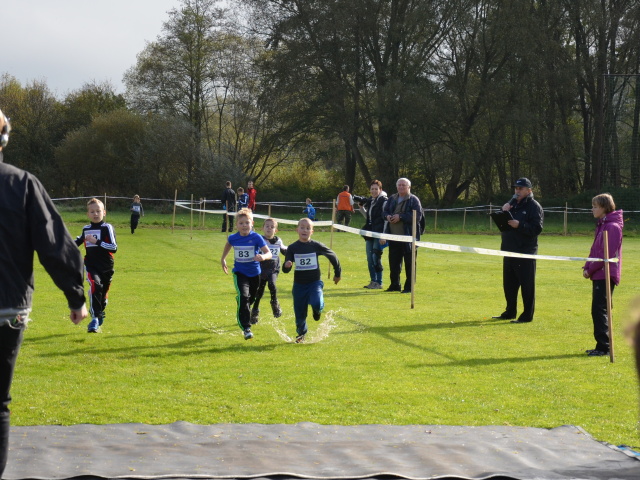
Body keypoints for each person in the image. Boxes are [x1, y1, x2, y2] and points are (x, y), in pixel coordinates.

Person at [0, 108, 88, 478]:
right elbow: (54, 244)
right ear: (4, 138)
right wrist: (76, 295)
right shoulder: (21, 184)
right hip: (6, 309)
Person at [492, 177, 543, 324]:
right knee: (509, 285)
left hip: (525, 252)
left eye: (521, 189)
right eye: (516, 188)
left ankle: (527, 316)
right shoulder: (512, 204)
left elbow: (537, 228)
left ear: (529, 190)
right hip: (508, 250)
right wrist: (503, 212)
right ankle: (510, 312)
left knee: (527, 286)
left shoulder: (534, 206)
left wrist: (519, 225)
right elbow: (504, 224)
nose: (517, 191)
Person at [282, 218, 341, 343]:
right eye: (302, 227)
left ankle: (317, 310)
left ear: (312, 231)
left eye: (308, 228)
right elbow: (286, 269)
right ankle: (301, 335)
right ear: (297, 230)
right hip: (299, 285)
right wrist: (287, 265)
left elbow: (332, 255)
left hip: (314, 283)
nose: (305, 230)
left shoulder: (316, 246)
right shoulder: (292, 248)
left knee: (317, 303)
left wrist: (337, 273)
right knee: (300, 314)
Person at [220, 208, 272, 340]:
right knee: (244, 297)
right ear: (236, 224)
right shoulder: (233, 237)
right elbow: (228, 244)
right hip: (240, 273)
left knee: (250, 299)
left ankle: (243, 303)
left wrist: (263, 257)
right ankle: (246, 328)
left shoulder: (256, 237)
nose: (244, 226)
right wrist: (223, 258)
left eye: (247, 223)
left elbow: (269, 253)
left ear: (252, 223)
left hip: (255, 274)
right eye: (241, 223)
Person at [582, 193, 623, 357]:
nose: (592, 209)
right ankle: (600, 345)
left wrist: (591, 269)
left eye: (595, 206)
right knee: (597, 309)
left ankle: (604, 347)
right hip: (597, 273)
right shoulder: (602, 225)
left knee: (600, 310)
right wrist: (586, 266)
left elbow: (607, 254)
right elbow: (595, 250)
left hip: (605, 274)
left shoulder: (612, 227)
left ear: (605, 208)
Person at [75, 198, 118, 333]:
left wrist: (97, 241)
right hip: (91, 265)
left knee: (102, 296)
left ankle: (100, 309)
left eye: (98, 211)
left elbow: (113, 247)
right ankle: (94, 319)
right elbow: (79, 241)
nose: (95, 214)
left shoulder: (107, 228)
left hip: (106, 267)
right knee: (95, 284)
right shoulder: (86, 229)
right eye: (92, 211)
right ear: (88, 214)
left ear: (104, 212)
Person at [381, 178, 423, 293]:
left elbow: (417, 216)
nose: (401, 187)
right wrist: (388, 216)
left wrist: (401, 217)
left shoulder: (413, 200)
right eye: (399, 185)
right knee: (394, 264)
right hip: (393, 237)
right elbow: (384, 212)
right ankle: (394, 285)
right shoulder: (392, 199)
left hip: (409, 238)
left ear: (409, 187)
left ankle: (409, 287)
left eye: (403, 185)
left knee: (410, 265)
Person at [251, 218, 288, 324]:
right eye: (267, 226)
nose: (269, 228)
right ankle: (255, 311)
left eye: (272, 227)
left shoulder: (278, 240)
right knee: (260, 290)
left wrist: (292, 252)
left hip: (273, 268)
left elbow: (284, 250)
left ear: (275, 230)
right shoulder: (259, 240)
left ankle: (274, 302)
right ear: (263, 228)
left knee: (272, 284)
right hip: (261, 268)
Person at [359, 180, 388, 289]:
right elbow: (369, 217)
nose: (374, 191)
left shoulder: (384, 201)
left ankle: (379, 282)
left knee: (376, 256)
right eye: (372, 189)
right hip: (369, 232)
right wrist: (361, 208)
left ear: (380, 190)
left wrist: (384, 235)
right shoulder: (371, 201)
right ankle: (373, 281)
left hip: (379, 233)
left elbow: (386, 220)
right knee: (369, 258)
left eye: (376, 189)